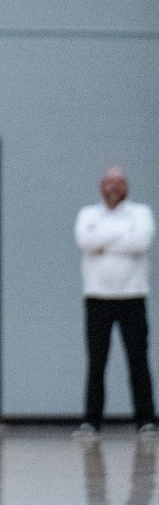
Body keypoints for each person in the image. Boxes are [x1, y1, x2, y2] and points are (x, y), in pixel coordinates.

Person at [75, 167, 154, 436]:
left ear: (127, 186)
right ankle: (91, 421)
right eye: (108, 183)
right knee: (96, 362)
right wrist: (121, 235)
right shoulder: (88, 214)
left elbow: (141, 243)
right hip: (98, 298)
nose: (113, 188)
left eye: (119, 183)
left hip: (133, 297)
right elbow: (85, 241)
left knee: (138, 360)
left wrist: (103, 241)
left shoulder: (141, 213)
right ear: (100, 187)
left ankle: (146, 420)